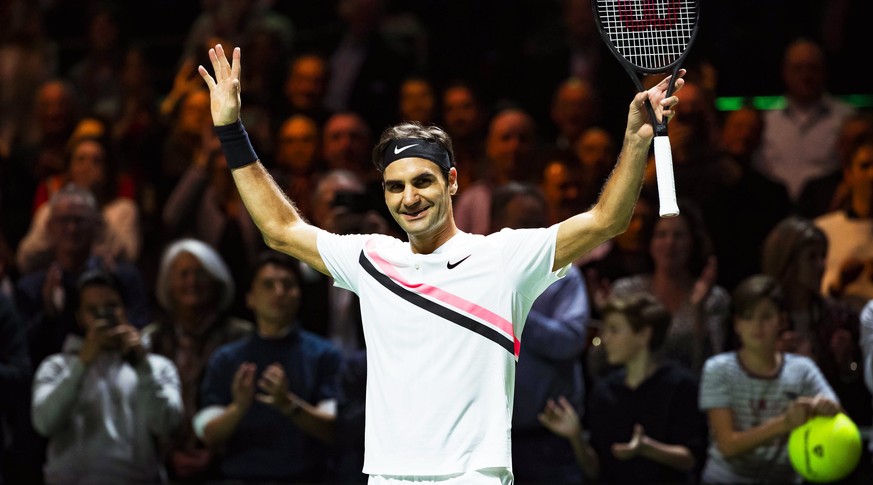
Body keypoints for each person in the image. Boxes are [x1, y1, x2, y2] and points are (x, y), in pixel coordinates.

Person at [198, 43, 683, 483]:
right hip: (388, 475)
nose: (409, 197)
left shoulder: (505, 258)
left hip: (474, 474)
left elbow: (605, 221)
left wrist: (637, 140)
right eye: (395, 186)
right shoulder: (371, 259)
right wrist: (230, 130)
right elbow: (280, 230)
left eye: (423, 181)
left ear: (452, 181)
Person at [193, 250, 342, 483]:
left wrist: (288, 404)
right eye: (268, 285)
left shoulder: (324, 355)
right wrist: (239, 407)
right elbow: (209, 436)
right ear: (250, 298)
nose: (279, 292)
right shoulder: (226, 358)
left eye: (288, 284)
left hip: (306, 478)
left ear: (299, 295)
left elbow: (333, 429)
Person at [31, 269, 183, 484]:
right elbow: (44, 423)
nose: (103, 317)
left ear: (125, 311)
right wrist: (82, 365)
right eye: (93, 310)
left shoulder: (158, 367)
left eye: (111, 307)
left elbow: (167, 424)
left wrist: (141, 365)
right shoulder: (55, 366)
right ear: (79, 317)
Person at [539, 293, 707, 483]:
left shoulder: (681, 386)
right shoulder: (605, 391)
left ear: (643, 334)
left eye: (614, 330)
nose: (605, 339)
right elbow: (594, 471)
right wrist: (576, 436)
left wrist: (646, 448)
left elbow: (691, 459)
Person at [488, 182, 590, 485]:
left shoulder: (564, 274)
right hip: (488, 443)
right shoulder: (473, 273)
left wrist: (515, 304)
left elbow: (570, 340)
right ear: (496, 225)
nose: (532, 232)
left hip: (549, 443)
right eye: (522, 223)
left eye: (537, 223)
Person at [698, 274, 842, 484]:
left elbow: (840, 415)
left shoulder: (802, 369)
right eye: (748, 317)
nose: (757, 324)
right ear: (737, 324)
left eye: (766, 316)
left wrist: (827, 408)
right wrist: (785, 423)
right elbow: (727, 445)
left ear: (782, 320)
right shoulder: (718, 369)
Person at [141, 238, 253, 482]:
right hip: (162, 465)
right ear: (168, 285)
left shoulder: (241, 336)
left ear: (217, 281)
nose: (192, 282)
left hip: (230, 463)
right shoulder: (152, 340)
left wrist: (215, 450)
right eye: (183, 274)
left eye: (200, 274)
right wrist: (168, 453)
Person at [760, 216, 870, 427]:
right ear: (787, 262)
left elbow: (859, 389)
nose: (821, 265)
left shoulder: (840, 316)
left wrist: (848, 363)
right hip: (775, 428)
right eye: (811, 257)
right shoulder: (761, 317)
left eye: (823, 256)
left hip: (830, 426)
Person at [609, 199, 730, 376]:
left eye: (679, 235)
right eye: (661, 235)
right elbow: (604, 363)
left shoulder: (714, 299)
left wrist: (698, 308)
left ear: (693, 242)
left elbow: (712, 366)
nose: (670, 243)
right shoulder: (626, 292)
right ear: (649, 241)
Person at [754, 37, 854, 202]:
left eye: (812, 68)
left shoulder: (846, 119)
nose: (806, 76)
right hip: (774, 211)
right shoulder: (767, 120)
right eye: (798, 68)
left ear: (824, 71)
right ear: (785, 72)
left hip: (827, 209)